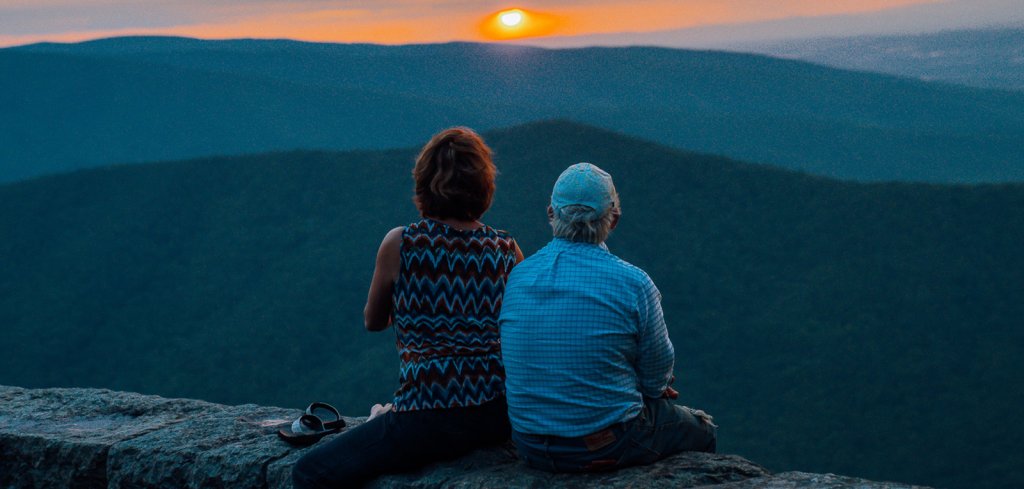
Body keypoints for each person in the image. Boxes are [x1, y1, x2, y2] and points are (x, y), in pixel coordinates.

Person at [292, 127, 523, 489]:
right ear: (484, 186)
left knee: (308, 473)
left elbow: (373, 321)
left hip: (426, 414)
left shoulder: (402, 243)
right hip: (496, 414)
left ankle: (385, 419)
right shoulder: (506, 250)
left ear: (424, 183)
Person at [498, 162, 716, 473]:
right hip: (605, 443)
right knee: (701, 430)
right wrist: (647, 389)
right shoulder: (634, 283)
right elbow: (657, 376)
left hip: (529, 444)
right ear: (614, 218)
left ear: (550, 214)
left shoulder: (518, 278)